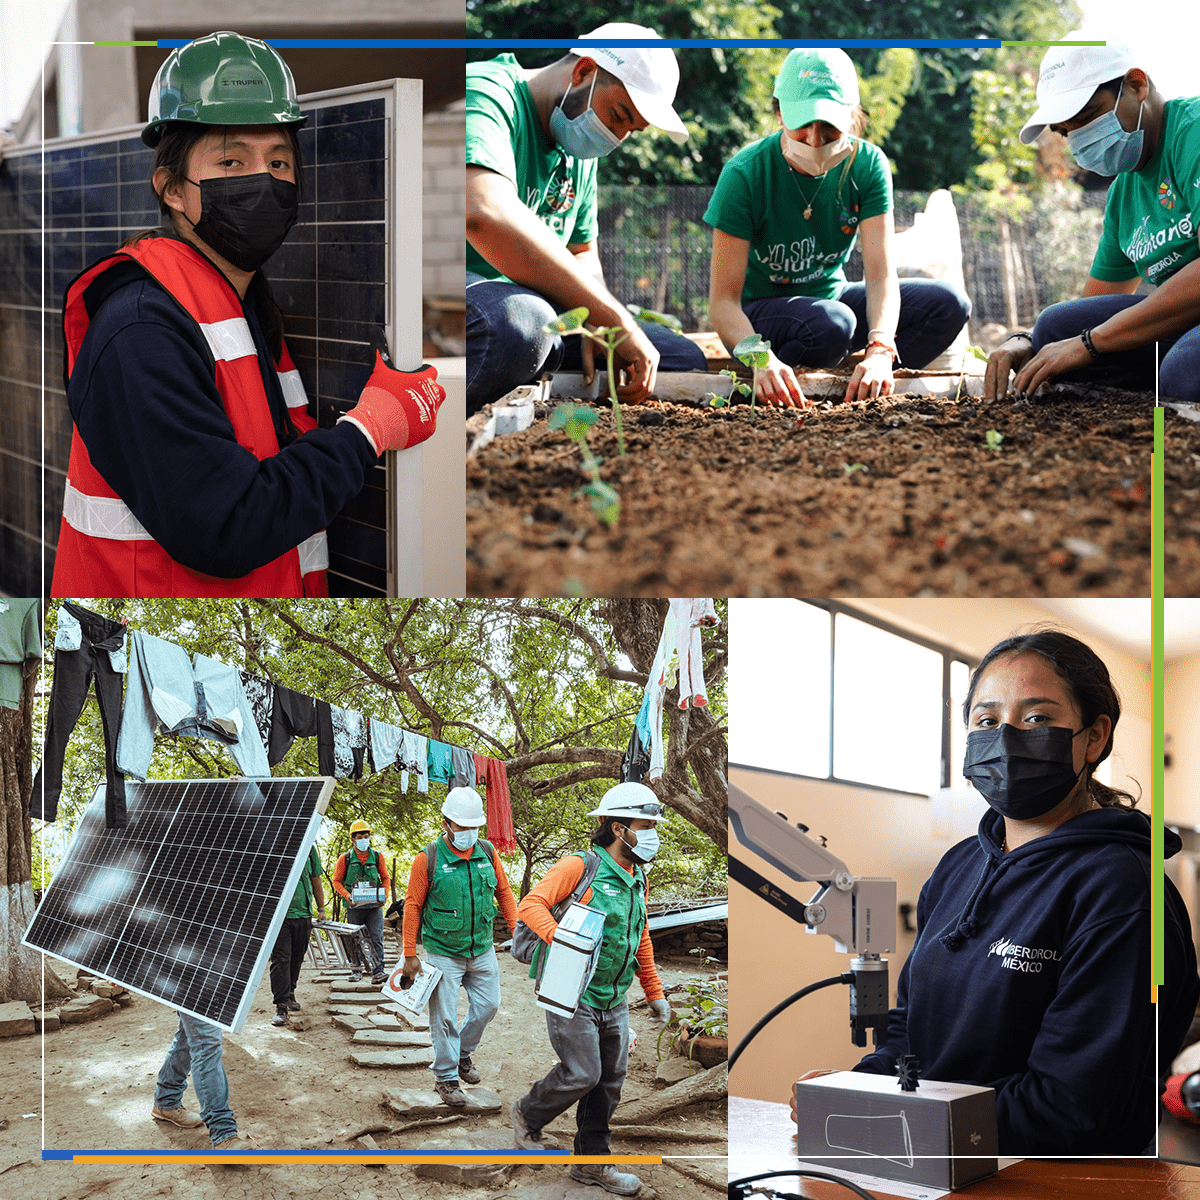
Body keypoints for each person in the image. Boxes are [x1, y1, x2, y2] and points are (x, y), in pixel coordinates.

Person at [49, 30, 446, 599]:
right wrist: (371, 428)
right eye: (231, 160)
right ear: (172, 191)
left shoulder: (242, 306)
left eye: (279, 161)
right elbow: (228, 524)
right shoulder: (140, 330)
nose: (263, 180)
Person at [789, 629, 1199, 1155]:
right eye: (986, 721)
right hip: (931, 1162)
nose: (1005, 738)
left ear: (1095, 738)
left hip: (1048, 1183)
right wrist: (858, 1087)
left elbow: (1073, 1110)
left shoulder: (1121, 890)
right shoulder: (961, 863)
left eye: (1037, 719)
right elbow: (909, 1030)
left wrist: (887, 1116)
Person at [465, 23, 709, 415]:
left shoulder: (577, 153)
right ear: (583, 72)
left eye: (632, 130)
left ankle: (535, 367)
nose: (616, 138)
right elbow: (484, 214)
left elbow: (582, 249)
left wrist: (597, 317)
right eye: (618, 115)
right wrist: (613, 316)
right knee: (519, 324)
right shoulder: (486, 95)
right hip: (459, 303)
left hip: (538, 318)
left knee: (678, 356)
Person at [706, 48, 971, 408]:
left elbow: (880, 276)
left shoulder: (867, 165)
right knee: (831, 324)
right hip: (760, 318)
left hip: (832, 300)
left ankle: (863, 388)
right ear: (780, 112)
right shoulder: (745, 174)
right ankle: (790, 387)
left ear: (852, 116)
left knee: (948, 303)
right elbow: (723, 303)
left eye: (829, 128)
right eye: (802, 126)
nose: (815, 140)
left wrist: (879, 349)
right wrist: (760, 358)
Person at [984, 38, 1200, 402]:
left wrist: (1090, 343)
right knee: (1055, 326)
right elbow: (1092, 309)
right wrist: (1028, 341)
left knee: (1186, 371)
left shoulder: (1191, 134)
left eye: (1087, 118)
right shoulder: (1124, 193)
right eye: (1066, 131)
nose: (1079, 138)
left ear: (1136, 84)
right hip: (1184, 321)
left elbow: (1092, 336)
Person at [511, 782, 673, 1196]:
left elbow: (641, 936)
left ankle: (591, 1162)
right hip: (572, 990)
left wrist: (654, 991)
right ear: (618, 828)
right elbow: (531, 905)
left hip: (613, 995)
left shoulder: (638, 877)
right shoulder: (579, 866)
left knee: (609, 1080)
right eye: (646, 824)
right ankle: (528, 1115)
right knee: (583, 1072)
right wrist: (563, 940)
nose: (653, 833)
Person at [400, 786, 519, 1106]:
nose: (468, 832)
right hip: (442, 951)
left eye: (474, 826)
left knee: (489, 1005)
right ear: (446, 823)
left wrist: (517, 928)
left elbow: (505, 893)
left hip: (481, 948)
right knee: (444, 1017)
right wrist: (410, 953)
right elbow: (412, 906)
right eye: (462, 826)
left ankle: (462, 1053)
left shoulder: (488, 852)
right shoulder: (428, 858)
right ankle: (446, 1078)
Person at [152, 1012, 255, 1151]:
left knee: (189, 1034)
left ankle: (166, 1100)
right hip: (195, 990)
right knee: (206, 1042)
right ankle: (223, 1134)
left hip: (201, 990)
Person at [269, 842, 327, 1026]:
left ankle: (290, 992)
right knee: (281, 959)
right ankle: (281, 1005)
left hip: (303, 915)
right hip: (279, 916)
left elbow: (316, 879)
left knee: (296, 958)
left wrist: (321, 908)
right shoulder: (274, 844)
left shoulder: (309, 849)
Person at [332, 819, 390, 985]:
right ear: (353, 839)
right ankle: (356, 970)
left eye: (366, 836)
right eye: (360, 836)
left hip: (374, 906)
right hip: (354, 907)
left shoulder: (378, 857)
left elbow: (385, 878)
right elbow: (336, 881)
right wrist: (347, 895)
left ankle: (378, 971)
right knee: (354, 938)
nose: (364, 839)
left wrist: (384, 893)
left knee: (375, 937)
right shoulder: (345, 859)